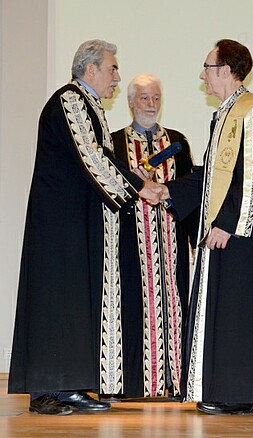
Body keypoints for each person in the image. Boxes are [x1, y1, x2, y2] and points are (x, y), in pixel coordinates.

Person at [8, 39, 161, 415]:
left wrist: (131, 178)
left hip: (73, 223)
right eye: (112, 68)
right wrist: (139, 187)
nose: (117, 77)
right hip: (59, 226)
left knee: (70, 304)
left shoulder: (87, 104)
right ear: (90, 69)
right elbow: (92, 158)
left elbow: (101, 158)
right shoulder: (71, 100)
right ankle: (52, 390)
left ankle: (68, 386)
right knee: (59, 305)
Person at [153, 39, 253, 415]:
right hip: (225, 235)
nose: (202, 75)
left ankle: (240, 395)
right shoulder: (225, 114)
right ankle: (225, 390)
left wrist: (227, 224)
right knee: (225, 313)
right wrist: (168, 191)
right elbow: (211, 177)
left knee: (239, 313)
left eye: (206, 68)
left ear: (225, 70)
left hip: (242, 238)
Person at [108, 74, 199, 400]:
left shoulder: (177, 142)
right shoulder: (116, 142)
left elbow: (192, 192)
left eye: (156, 98)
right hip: (130, 246)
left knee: (174, 307)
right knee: (130, 310)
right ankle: (131, 384)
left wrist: (192, 240)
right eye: (144, 98)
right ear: (131, 102)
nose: (151, 105)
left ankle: (175, 381)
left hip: (171, 243)